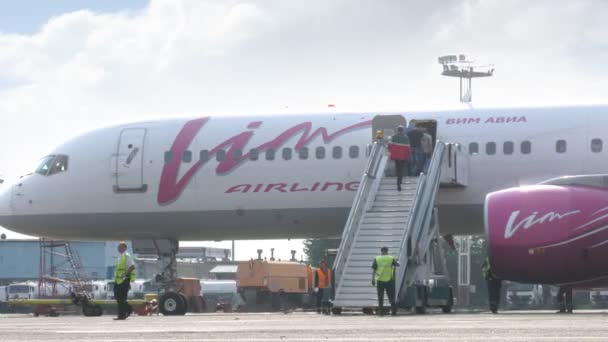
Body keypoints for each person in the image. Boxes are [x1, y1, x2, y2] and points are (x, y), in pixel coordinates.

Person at [371, 246, 400, 316]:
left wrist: (373, 279)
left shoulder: (377, 259)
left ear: (381, 251)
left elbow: (374, 270)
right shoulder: (390, 258)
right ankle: (394, 312)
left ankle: (381, 313)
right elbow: (398, 265)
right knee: (391, 297)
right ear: (387, 251)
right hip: (389, 280)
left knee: (380, 297)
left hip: (380, 280)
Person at [113, 241, 135, 320]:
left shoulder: (126, 256)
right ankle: (127, 310)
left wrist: (124, 274)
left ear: (124, 247)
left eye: (120, 247)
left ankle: (122, 315)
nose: (118, 248)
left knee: (121, 298)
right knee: (118, 297)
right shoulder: (121, 257)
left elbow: (132, 266)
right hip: (118, 281)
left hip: (124, 280)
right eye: (118, 247)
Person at [388, 125, 410, 191]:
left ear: (397, 130)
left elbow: (389, 146)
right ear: (403, 130)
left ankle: (398, 183)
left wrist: (391, 152)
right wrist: (407, 155)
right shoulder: (406, 137)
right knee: (401, 169)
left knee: (398, 169)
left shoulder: (393, 137)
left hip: (396, 156)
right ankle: (399, 182)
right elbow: (408, 148)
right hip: (403, 156)